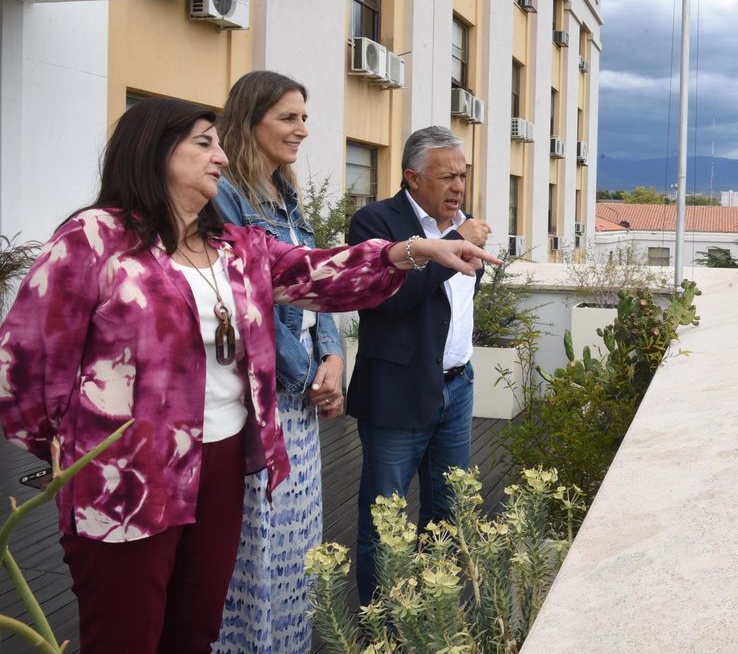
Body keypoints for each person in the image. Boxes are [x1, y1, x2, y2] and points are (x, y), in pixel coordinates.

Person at [0, 98, 497, 654]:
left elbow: (319, 273)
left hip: (222, 463)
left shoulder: (234, 246)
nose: (221, 157)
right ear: (155, 150)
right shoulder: (94, 238)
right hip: (127, 476)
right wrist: (76, 451)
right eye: (205, 144)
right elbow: (24, 365)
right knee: (126, 635)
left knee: (196, 629)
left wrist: (413, 251)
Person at [210, 71, 342, 654]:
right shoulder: (225, 196)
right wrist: (305, 373)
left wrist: (334, 356)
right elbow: (247, 301)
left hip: (301, 398)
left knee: (295, 550)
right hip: (261, 399)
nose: (302, 130)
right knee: (255, 551)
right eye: (289, 118)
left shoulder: (285, 194)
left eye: (303, 118)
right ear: (248, 120)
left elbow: (313, 279)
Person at [347, 126, 491, 604]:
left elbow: (458, 297)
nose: (458, 187)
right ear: (412, 177)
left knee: (448, 514)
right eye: (446, 177)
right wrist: (453, 244)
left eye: (462, 176)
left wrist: (458, 241)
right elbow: (388, 300)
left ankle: (436, 616)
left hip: (457, 386)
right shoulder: (374, 222)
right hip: (398, 390)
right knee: (384, 522)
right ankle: (379, 626)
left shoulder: (462, 222)